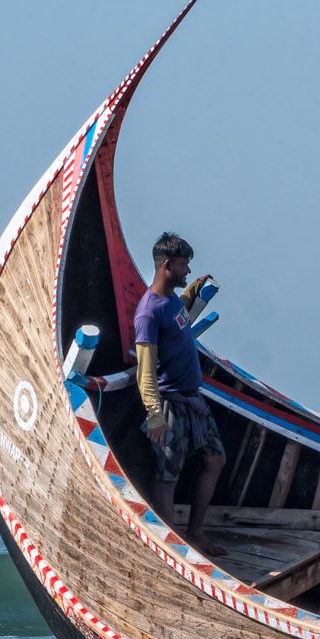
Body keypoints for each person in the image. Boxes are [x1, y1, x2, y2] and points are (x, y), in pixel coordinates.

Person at [134, 231, 226, 554]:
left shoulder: (172, 300)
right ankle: (169, 549)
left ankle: (196, 533)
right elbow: (145, 368)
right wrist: (154, 415)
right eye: (184, 265)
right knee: (167, 477)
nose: (187, 270)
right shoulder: (147, 313)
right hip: (169, 406)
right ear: (167, 265)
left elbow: (178, 317)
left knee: (215, 459)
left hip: (193, 401)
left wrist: (193, 290)